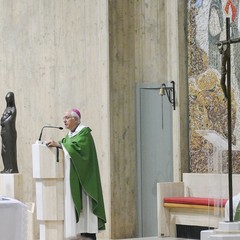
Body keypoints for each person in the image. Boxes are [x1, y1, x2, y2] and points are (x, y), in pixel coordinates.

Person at [47, 109, 106, 240]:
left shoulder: (84, 133)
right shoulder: (69, 136)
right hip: (73, 179)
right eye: (64, 118)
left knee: (87, 213)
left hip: (85, 181)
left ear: (76, 119)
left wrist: (60, 145)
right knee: (79, 223)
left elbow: (79, 149)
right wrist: (59, 145)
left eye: (67, 118)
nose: (64, 120)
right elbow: (67, 145)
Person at [0, 92, 18, 173]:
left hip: (10, 133)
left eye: (9, 99)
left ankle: (12, 168)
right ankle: (6, 168)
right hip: (4, 133)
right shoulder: (6, 109)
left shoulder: (13, 109)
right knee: (4, 152)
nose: (8, 101)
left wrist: (3, 121)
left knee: (10, 151)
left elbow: (10, 120)